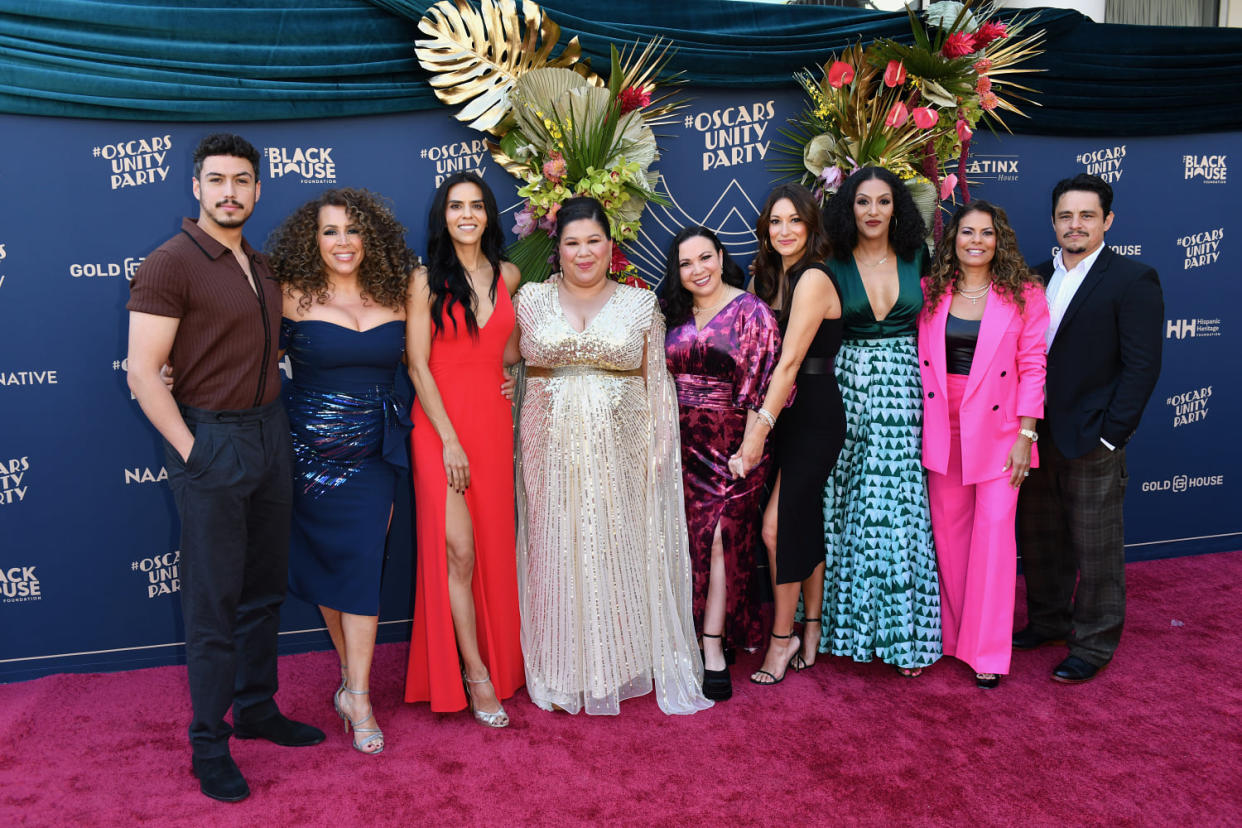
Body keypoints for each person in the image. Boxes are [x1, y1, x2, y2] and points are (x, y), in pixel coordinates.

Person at [126, 133, 324, 803]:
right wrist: (193, 451)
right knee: (214, 605)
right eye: (217, 180)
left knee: (264, 590)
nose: (230, 191)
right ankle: (209, 744)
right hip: (211, 442)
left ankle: (257, 708)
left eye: (242, 180)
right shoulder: (169, 264)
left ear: (258, 189)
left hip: (270, 436)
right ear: (197, 187)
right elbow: (144, 374)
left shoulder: (262, 266)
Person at [513, 196, 711, 716]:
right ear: (557, 248)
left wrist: (659, 452)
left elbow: (658, 386)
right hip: (547, 446)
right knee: (555, 544)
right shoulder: (531, 299)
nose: (584, 253)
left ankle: (618, 662)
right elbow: (509, 365)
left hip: (621, 448)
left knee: (613, 543)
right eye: (572, 243)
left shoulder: (640, 305)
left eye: (593, 241)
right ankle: (560, 666)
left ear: (610, 246)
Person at [267, 188, 417, 753]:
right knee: (331, 564)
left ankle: (357, 693)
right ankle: (354, 689)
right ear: (314, 240)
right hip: (305, 453)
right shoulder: (291, 297)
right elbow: (245, 356)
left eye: (352, 230)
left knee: (359, 565)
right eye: (330, 231)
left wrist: (502, 378)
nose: (342, 242)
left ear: (369, 238)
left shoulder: (398, 296)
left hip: (375, 453)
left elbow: (432, 363)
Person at [1014, 174, 1163, 684]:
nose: (1074, 225)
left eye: (1086, 216)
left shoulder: (1132, 279)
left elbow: (1142, 367)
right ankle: (1048, 620)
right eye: (1065, 216)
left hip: (1092, 436)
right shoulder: (1032, 278)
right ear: (1053, 221)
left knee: (1096, 547)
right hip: (1034, 432)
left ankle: (1094, 643)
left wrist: (1112, 434)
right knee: (1039, 539)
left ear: (1107, 221)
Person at [404, 172, 524, 726]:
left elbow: (513, 350)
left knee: (494, 551)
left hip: (494, 427)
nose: (467, 214)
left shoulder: (509, 275)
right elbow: (417, 364)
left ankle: (502, 663)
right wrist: (449, 438)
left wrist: (511, 378)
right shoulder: (424, 281)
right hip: (439, 429)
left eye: (477, 205)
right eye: (457, 206)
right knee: (459, 552)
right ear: (443, 216)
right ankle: (475, 674)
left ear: (489, 215)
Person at [918, 201, 1049, 689]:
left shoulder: (1025, 294)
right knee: (949, 539)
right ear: (952, 239)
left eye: (987, 233)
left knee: (994, 538)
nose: (976, 240)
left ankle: (988, 650)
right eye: (967, 232)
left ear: (1000, 241)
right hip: (941, 425)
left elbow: (1033, 366)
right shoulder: (931, 291)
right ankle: (954, 639)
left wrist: (1026, 434)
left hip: (1000, 430)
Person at [819, 166, 942, 676]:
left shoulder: (920, 256)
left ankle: (906, 638)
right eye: (863, 201)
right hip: (845, 385)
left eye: (884, 201)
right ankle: (839, 628)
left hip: (907, 389)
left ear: (899, 208)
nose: (873, 211)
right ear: (848, 208)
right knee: (847, 501)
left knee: (898, 505)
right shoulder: (831, 263)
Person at [661, 226, 782, 700]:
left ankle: (712, 646)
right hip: (683, 444)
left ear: (721, 256)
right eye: (687, 263)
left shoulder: (752, 312)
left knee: (720, 539)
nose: (698, 270)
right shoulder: (671, 313)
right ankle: (690, 633)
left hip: (735, 446)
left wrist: (751, 447)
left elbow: (767, 382)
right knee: (689, 542)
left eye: (705, 258)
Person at [742, 184, 845, 686]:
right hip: (784, 411)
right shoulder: (770, 277)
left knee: (776, 528)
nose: (784, 231)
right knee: (801, 523)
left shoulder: (813, 279)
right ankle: (813, 628)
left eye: (794, 221)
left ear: (811, 226)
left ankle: (781, 641)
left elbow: (788, 364)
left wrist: (758, 429)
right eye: (775, 222)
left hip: (812, 416)